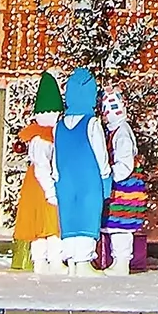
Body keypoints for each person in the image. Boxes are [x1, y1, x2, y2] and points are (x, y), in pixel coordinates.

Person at [46, 67, 112, 272]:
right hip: (89, 181)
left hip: (65, 181)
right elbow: (101, 156)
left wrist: (56, 180)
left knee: (69, 216)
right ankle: (83, 262)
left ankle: (72, 261)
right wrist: (106, 178)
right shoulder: (92, 123)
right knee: (87, 215)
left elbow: (55, 159)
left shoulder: (58, 125)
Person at [10, 73, 63, 272]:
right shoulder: (42, 138)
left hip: (37, 183)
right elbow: (42, 165)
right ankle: (49, 261)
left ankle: (43, 261)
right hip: (42, 185)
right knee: (49, 223)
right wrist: (51, 191)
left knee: (43, 223)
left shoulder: (42, 135)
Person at [97, 85, 148, 273]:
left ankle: (122, 261)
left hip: (124, 189)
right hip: (118, 187)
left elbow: (125, 165)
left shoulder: (122, 133)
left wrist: (109, 176)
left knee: (121, 227)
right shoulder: (115, 131)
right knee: (115, 225)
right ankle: (117, 260)